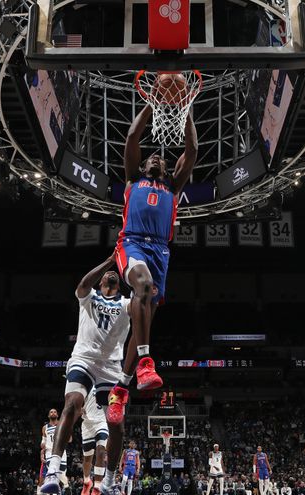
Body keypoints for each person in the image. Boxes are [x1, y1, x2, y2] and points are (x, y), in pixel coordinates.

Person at [106, 103, 199, 425]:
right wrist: (154, 103)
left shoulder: (173, 187)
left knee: (141, 317)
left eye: (163, 158)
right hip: (131, 243)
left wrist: (183, 108)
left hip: (161, 252)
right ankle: (146, 362)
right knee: (142, 288)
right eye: (153, 157)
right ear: (144, 165)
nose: (159, 158)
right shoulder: (133, 180)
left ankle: (120, 389)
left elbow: (193, 148)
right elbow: (133, 136)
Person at [39, 258, 131, 495]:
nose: (110, 274)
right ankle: (53, 471)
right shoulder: (88, 296)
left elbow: (147, 299)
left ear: (119, 283)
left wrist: (130, 266)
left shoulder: (126, 304)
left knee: (117, 426)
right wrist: (112, 259)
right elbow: (82, 283)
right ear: (100, 282)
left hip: (111, 367)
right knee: (71, 404)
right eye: (105, 275)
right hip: (84, 359)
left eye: (114, 274)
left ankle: (111, 484)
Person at [80, 393, 109, 495]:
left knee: (101, 452)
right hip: (87, 424)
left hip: (102, 422)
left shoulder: (107, 381)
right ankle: (87, 481)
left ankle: (97, 488)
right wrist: (79, 408)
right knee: (87, 458)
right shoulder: (86, 381)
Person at [37, 408, 68, 495]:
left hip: (62, 450)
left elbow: (69, 438)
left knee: (61, 473)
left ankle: (66, 486)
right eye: (51, 412)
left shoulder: (62, 424)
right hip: (50, 451)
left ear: (57, 415)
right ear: (48, 415)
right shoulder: (45, 428)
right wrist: (42, 445)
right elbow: (43, 441)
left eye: (55, 411)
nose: (53, 413)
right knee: (53, 471)